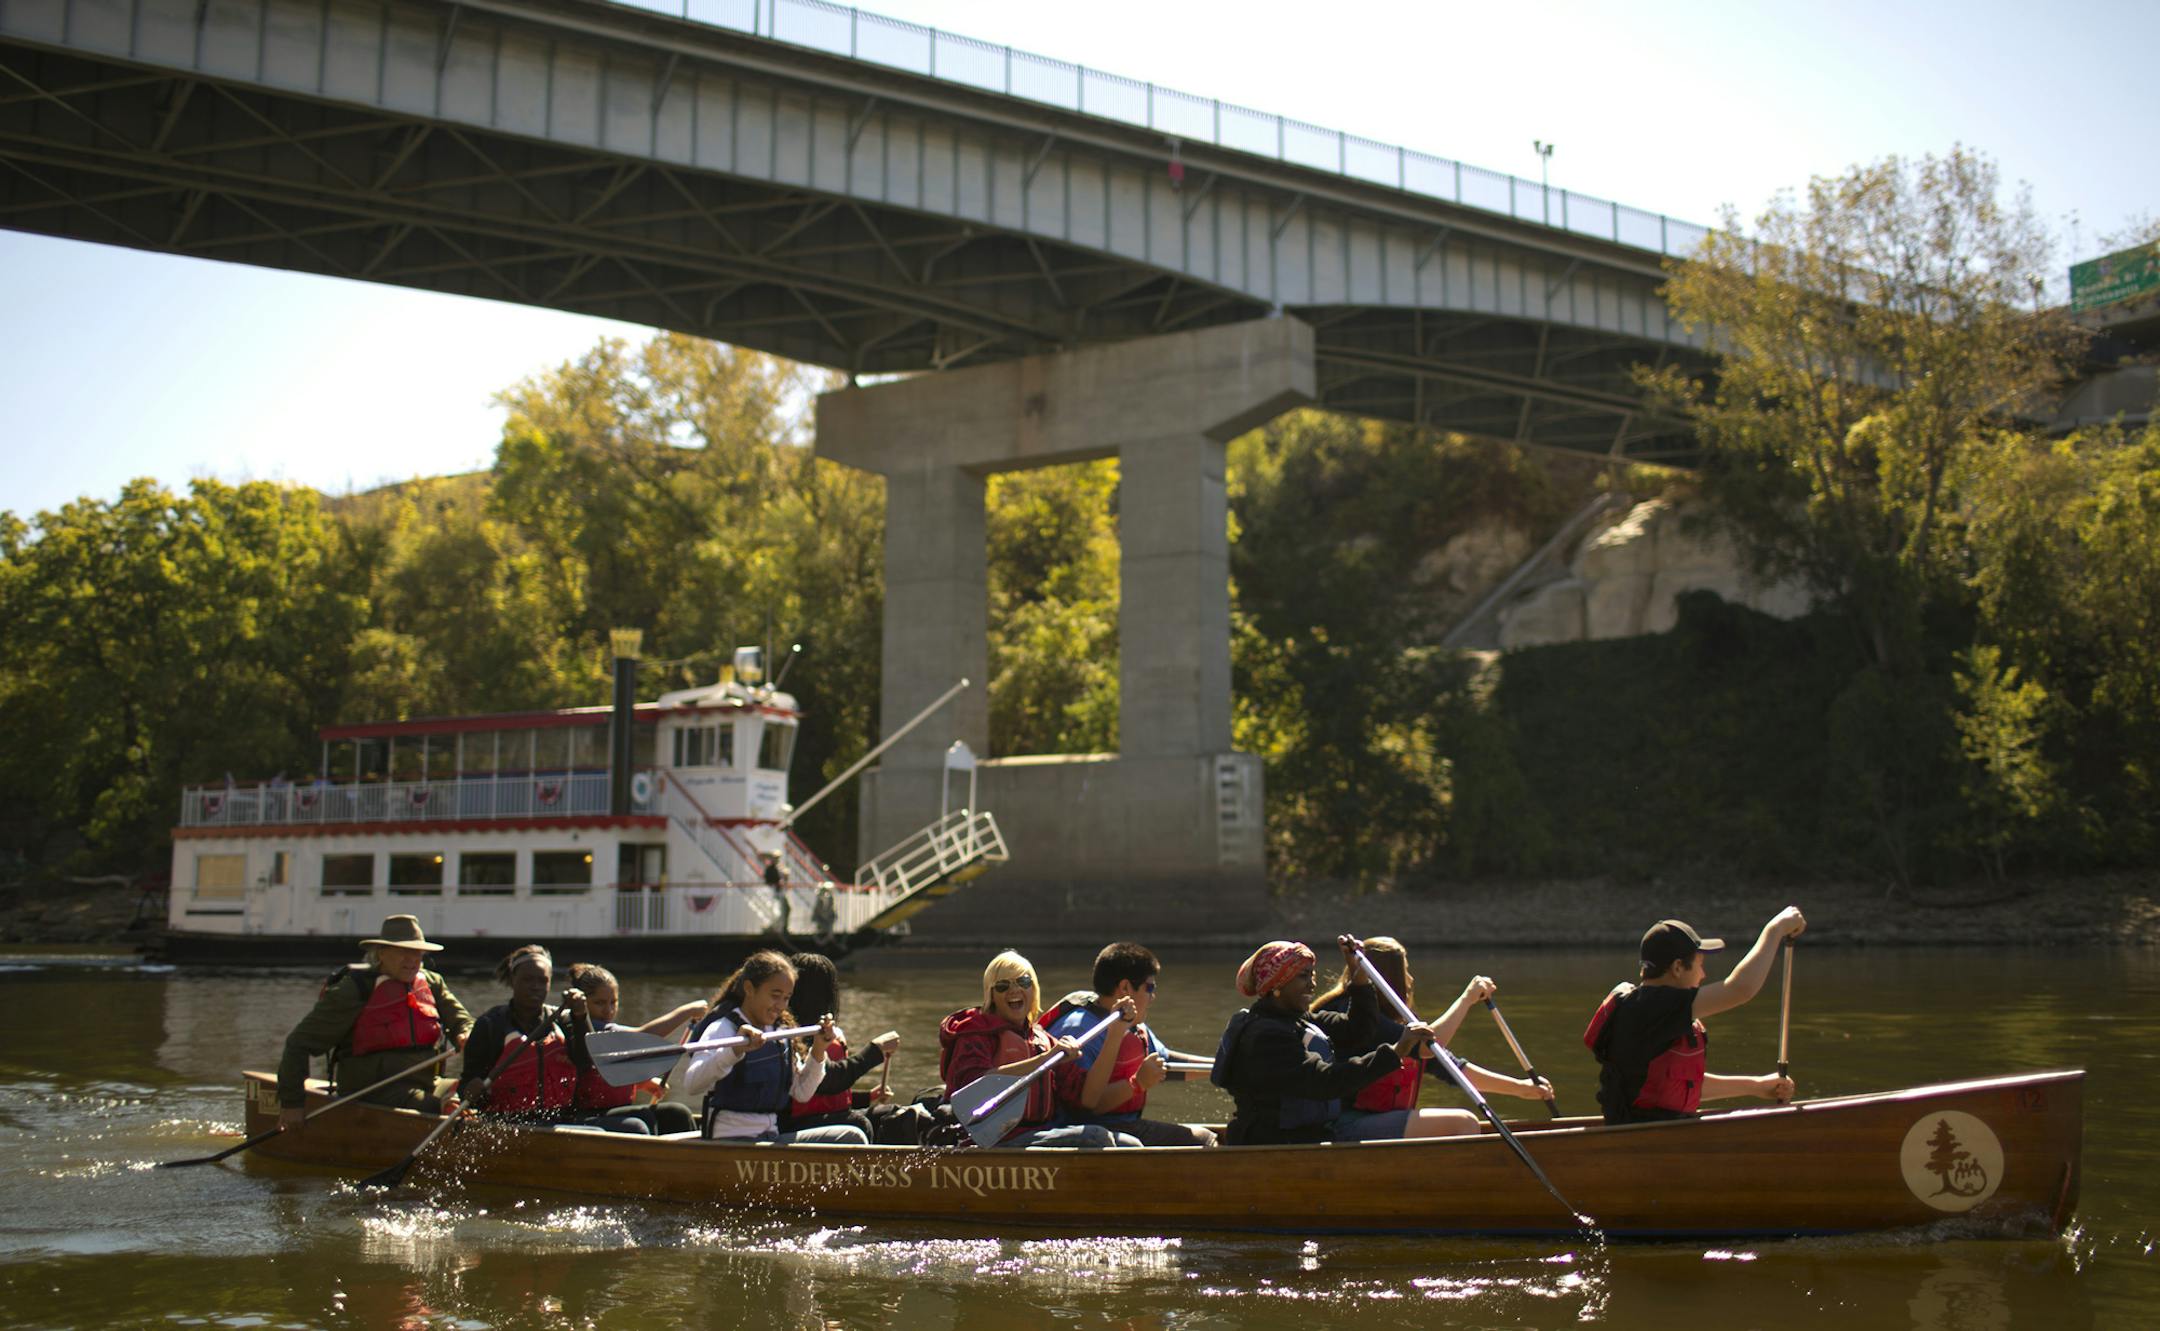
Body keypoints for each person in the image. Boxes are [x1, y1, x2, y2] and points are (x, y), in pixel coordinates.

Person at [1311, 937, 1555, 1140]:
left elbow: (1451, 1067)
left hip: (1373, 1121)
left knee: (1465, 1123)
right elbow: (1426, 1048)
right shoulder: (1350, 1013)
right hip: (1344, 1125)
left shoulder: (1394, 1021)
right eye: (1406, 970)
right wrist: (1466, 999)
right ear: (1390, 976)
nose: (1411, 980)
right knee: (1464, 1123)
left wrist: (1521, 1089)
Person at [1584, 909, 1807, 1125]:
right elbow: (1740, 989)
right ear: (1678, 968)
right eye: (1700, 965)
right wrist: (1775, 929)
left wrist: (1757, 1086)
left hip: (1662, 1132)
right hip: (1642, 1142)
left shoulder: (1656, 1012)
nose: (1704, 975)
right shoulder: (1651, 1008)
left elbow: (1685, 1085)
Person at [1210, 936, 1432, 1145]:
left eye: (1312, 975)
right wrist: (1396, 1052)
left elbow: (1357, 1031)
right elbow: (1324, 1082)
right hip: (1274, 1143)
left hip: (1304, 1138)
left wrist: (1359, 977)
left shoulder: (1297, 1020)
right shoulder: (1266, 1036)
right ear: (1277, 986)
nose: (1312, 984)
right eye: (1303, 976)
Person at [275, 914, 473, 1131]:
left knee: (473, 1098)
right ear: (381, 953)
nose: (411, 960)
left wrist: (465, 1033)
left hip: (426, 1083)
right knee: (437, 1108)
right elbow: (298, 1043)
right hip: (372, 1091)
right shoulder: (353, 990)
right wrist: (291, 1103)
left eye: (416, 952)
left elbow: (463, 1021)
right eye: (402, 951)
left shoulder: (433, 983)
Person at [938, 950, 1139, 1148]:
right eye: (1002, 986)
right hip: (991, 1140)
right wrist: (1046, 1059)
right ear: (991, 995)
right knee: (1096, 1138)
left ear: (1033, 990)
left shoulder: (1043, 1040)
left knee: (1130, 1144)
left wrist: (1115, 1033)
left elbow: (1088, 1099)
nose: (1014, 990)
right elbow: (974, 1086)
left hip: (1039, 1133)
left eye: (1023, 982)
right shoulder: (975, 1034)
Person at [678, 950, 867, 1145]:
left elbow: (802, 1093)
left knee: (853, 1136)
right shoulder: (723, 1028)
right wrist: (734, 1051)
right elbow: (692, 1084)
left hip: (770, 1138)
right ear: (750, 989)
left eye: (786, 998)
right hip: (731, 1139)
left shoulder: (781, 1034)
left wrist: (819, 1049)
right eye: (775, 995)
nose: (781, 1006)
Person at [1042, 943, 1217, 1147]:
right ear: (1125, 988)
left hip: (1125, 1125)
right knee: (1204, 1141)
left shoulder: (1133, 1025)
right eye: (1149, 988)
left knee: (1206, 1137)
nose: (1153, 996)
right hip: (1087, 1131)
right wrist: (1137, 1083)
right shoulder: (1080, 1031)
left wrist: (1221, 1066)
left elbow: (1165, 1064)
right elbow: (1087, 1106)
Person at [780, 952, 930, 1145]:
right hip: (794, 1123)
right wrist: (875, 1051)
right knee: (860, 1123)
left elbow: (831, 1095)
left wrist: (867, 1097)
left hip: (820, 1116)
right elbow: (826, 1080)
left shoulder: (825, 1032)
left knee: (895, 1116)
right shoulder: (791, 1035)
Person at [563, 962, 703, 1136]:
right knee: (639, 1123)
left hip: (614, 1111)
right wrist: (687, 1010)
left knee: (677, 1113)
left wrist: (643, 1083)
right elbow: (645, 1036)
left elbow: (607, 1069)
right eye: (599, 1003)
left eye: (613, 1002)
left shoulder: (607, 1029)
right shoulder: (586, 1028)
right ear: (583, 1004)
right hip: (584, 1116)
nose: (608, 1010)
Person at [456, 944, 589, 1124]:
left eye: (542, 981)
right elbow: (466, 1085)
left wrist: (581, 1017)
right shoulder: (490, 1025)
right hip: (506, 1123)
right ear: (513, 979)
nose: (535, 987)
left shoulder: (563, 1021)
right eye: (527, 980)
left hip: (560, 1120)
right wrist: (471, 1092)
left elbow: (586, 1062)